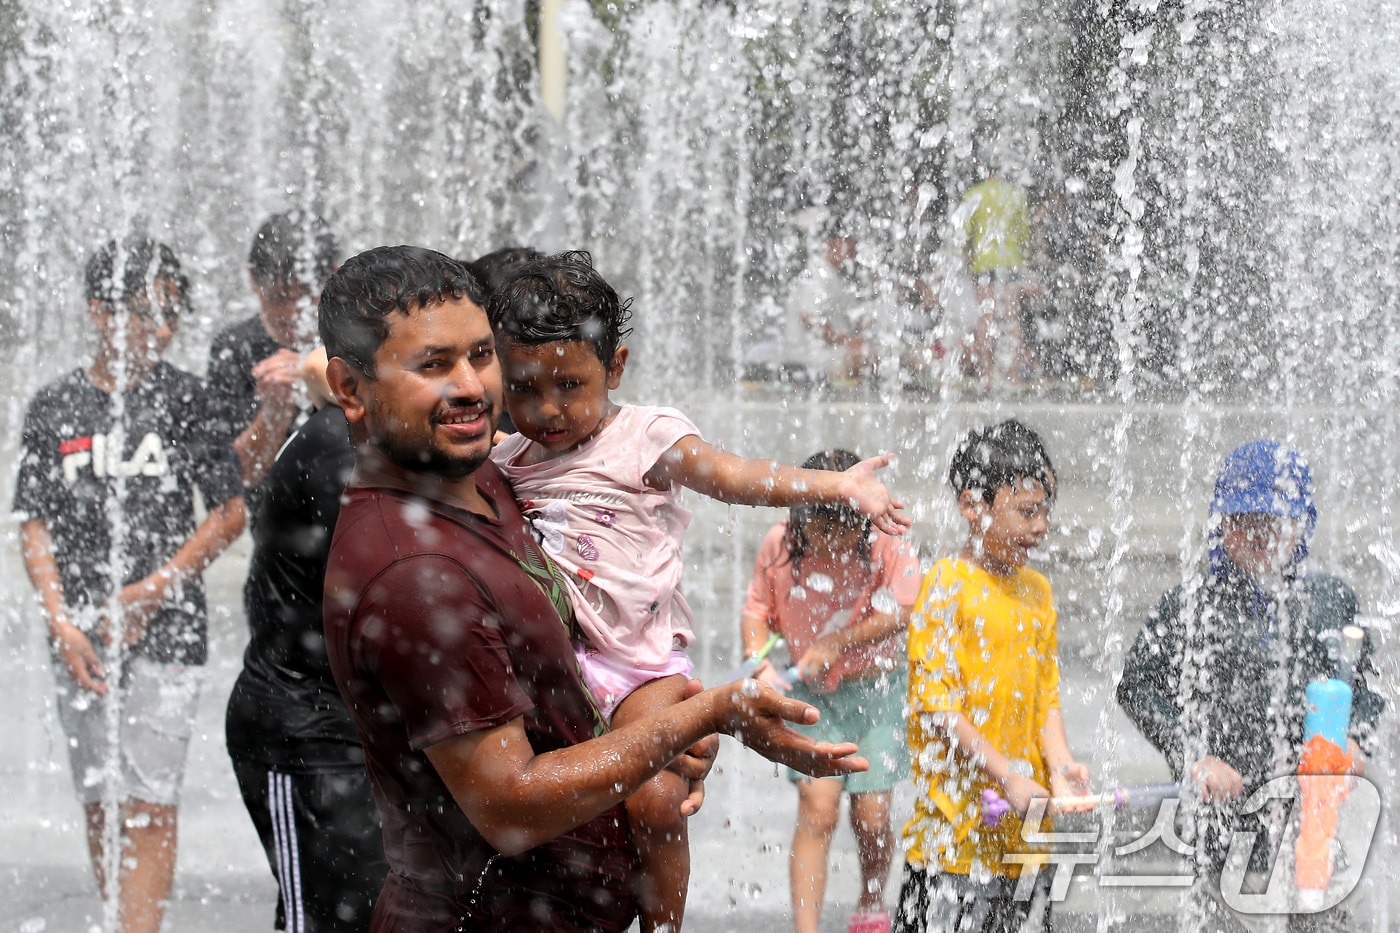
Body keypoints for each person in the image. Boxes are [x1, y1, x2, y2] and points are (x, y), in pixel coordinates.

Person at [317, 244, 869, 932]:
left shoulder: (486, 474)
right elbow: (510, 807)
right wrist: (703, 717)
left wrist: (657, 735)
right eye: (433, 365)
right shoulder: (416, 577)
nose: (472, 387)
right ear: (350, 388)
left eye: (481, 356)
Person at [487, 250, 909, 933]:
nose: (547, 408)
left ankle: (664, 928)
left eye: (569, 384)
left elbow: (732, 476)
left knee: (656, 799)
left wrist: (835, 486)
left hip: (639, 666)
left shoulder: (644, 437)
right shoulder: (503, 461)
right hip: (557, 667)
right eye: (524, 388)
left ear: (615, 367)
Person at [15, 236, 246, 933]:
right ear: (99, 310)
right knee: (99, 798)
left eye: (171, 315)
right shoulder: (54, 404)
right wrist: (60, 621)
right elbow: (33, 522)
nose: (162, 329)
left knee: (149, 801)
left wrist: (154, 588)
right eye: (147, 312)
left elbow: (230, 511)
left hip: (167, 630)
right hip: (79, 636)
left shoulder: (188, 398)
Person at [1116, 440, 1383, 931]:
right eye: (1246, 520)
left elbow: (1366, 686)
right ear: (1221, 524)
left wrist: (1355, 738)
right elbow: (1135, 685)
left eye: (1276, 521)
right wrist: (1193, 754)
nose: (1261, 534)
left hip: (1311, 819)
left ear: (1303, 524)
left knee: (1322, 912)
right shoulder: (1190, 606)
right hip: (1225, 823)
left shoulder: (1331, 602)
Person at [895, 419, 1089, 933]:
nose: (1041, 526)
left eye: (1045, 510)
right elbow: (938, 709)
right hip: (953, 845)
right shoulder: (945, 585)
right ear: (972, 506)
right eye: (1026, 511)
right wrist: (1007, 776)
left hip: (1025, 841)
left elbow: (1046, 697)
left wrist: (1060, 765)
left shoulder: (1037, 591)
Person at [741, 449, 922, 933]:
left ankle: (870, 901)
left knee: (872, 816)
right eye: (821, 528)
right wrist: (759, 664)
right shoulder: (780, 543)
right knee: (817, 810)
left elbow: (905, 609)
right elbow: (756, 611)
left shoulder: (885, 539)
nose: (833, 540)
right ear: (800, 519)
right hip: (814, 698)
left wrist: (838, 642)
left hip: (876, 693)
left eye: (844, 528)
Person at [223, 396, 388, 928]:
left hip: (357, 731)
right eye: (434, 363)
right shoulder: (340, 449)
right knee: (327, 920)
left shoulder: (382, 436)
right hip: (309, 732)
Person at [207, 210, 338, 519]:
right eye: (278, 297)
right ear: (253, 278)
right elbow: (235, 481)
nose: (291, 313)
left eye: (306, 296)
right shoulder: (234, 348)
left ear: (334, 277)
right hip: (274, 528)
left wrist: (313, 372)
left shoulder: (353, 339)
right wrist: (275, 412)